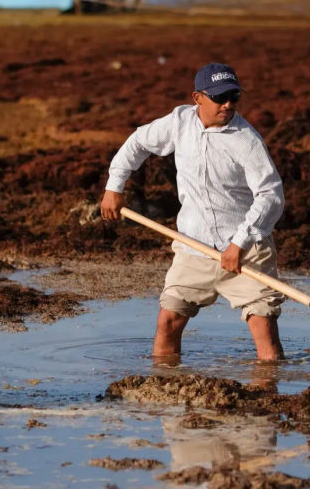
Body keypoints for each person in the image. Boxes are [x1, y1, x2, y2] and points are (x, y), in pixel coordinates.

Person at [100, 63, 286, 361]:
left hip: (246, 251)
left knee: (263, 331)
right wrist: (114, 187)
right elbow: (137, 142)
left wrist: (239, 243)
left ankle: (270, 399)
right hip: (193, 248)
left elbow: (271, 195)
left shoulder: (246, 140)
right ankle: (166, 389)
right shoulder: (179, 122)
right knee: (167, 323)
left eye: (234, 97)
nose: (228, 104)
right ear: (197, 98)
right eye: (220, 97)